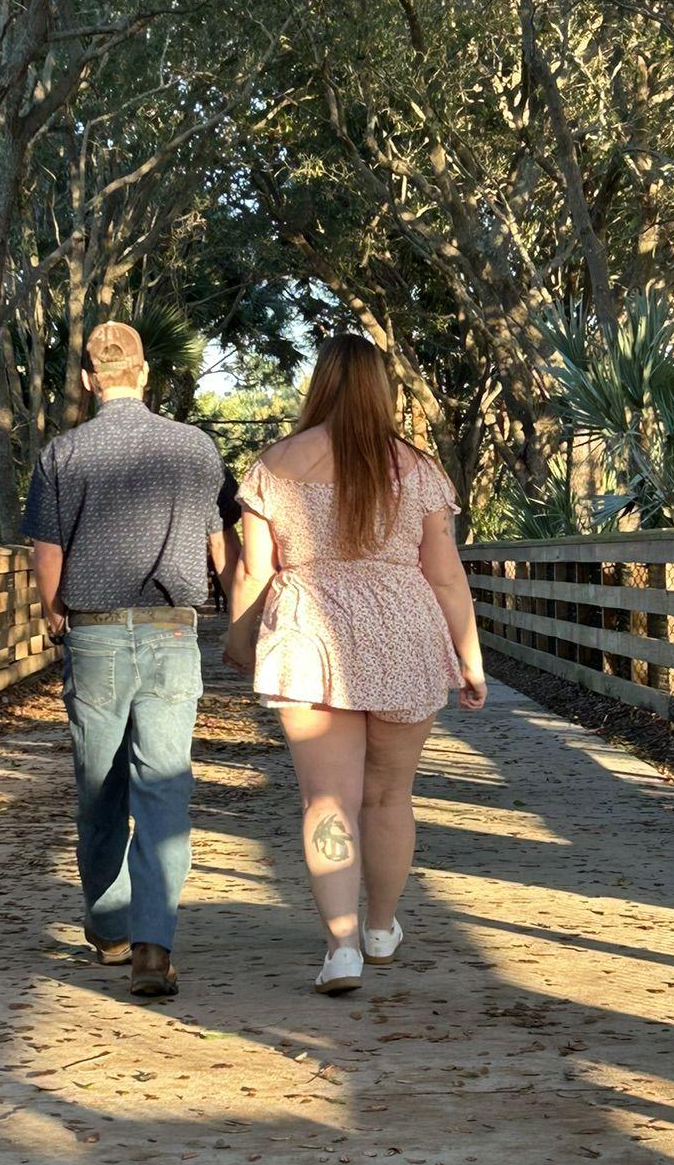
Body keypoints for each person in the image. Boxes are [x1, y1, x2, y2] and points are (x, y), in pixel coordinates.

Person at [225, 334, 487, 995]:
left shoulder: (274, 465)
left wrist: (240, 638)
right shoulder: (417, 469)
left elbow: (255, 570)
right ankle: (380, 928)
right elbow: (446, 574)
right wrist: (471, 658)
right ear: (382, 388)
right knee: (390, 795)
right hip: (402, 632)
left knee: (327, 798)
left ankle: (340, 949)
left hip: (308, 635)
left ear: (321, 383)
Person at [24, 322, 240, 998]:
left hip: (94, 636)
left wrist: (53, 613)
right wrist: (243, 617)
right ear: (144, 373)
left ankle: (111, 929)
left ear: (90, 379)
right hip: (172, 634)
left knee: (100, 789)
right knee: (164, 788)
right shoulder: (194, 447)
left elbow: (47, 551)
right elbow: (221, 545)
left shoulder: (63, 453)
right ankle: (153, 944)